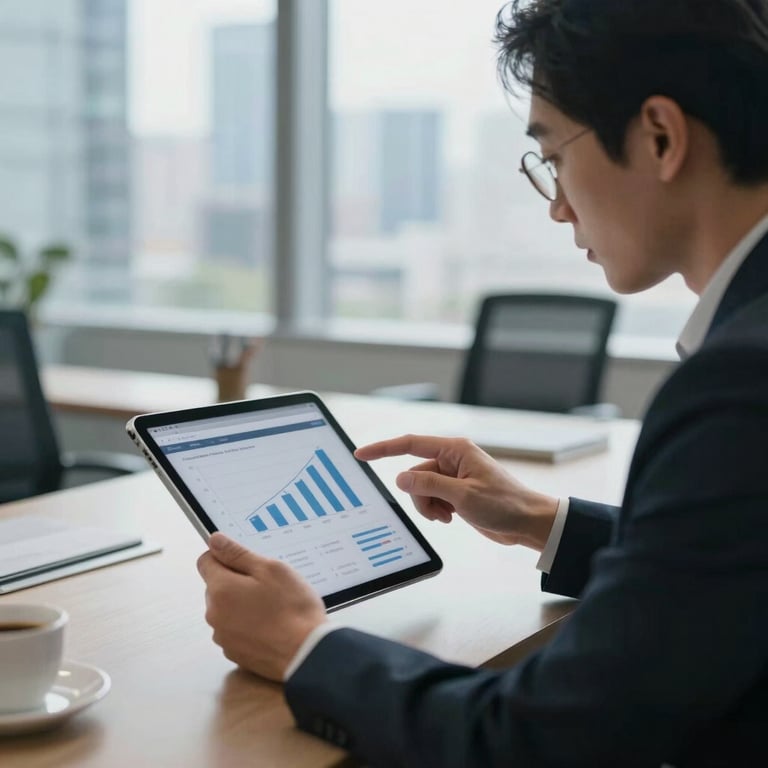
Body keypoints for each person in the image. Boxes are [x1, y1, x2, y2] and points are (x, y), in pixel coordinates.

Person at [196, 0, 768, 765]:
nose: (557, 206)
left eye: (554, 156)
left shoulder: (738, 383)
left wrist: (302, 645)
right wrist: (540, 518)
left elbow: (540, 740)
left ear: (660, 136)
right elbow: (725, 573)